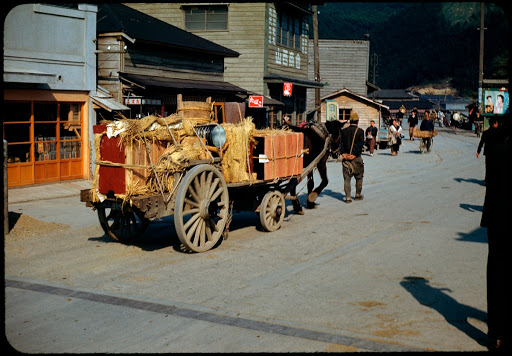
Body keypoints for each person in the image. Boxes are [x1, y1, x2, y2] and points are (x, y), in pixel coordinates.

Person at [478, 116, 512, 352]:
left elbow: (490, 184)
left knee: (498, 275)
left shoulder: (496, 146)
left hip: (498, 220)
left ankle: (499, 334)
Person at [339, 111, 365, 203]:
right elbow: (360, 145)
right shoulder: (360, 132)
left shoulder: (343, 131)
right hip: (356, 158)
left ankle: (348, 198)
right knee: (359, 177)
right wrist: (354, 154)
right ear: (357, 121)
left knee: (347, 179)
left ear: (350, 121)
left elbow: (340, 144)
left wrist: (343, 153)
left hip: (346, 159)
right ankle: (357, 195)